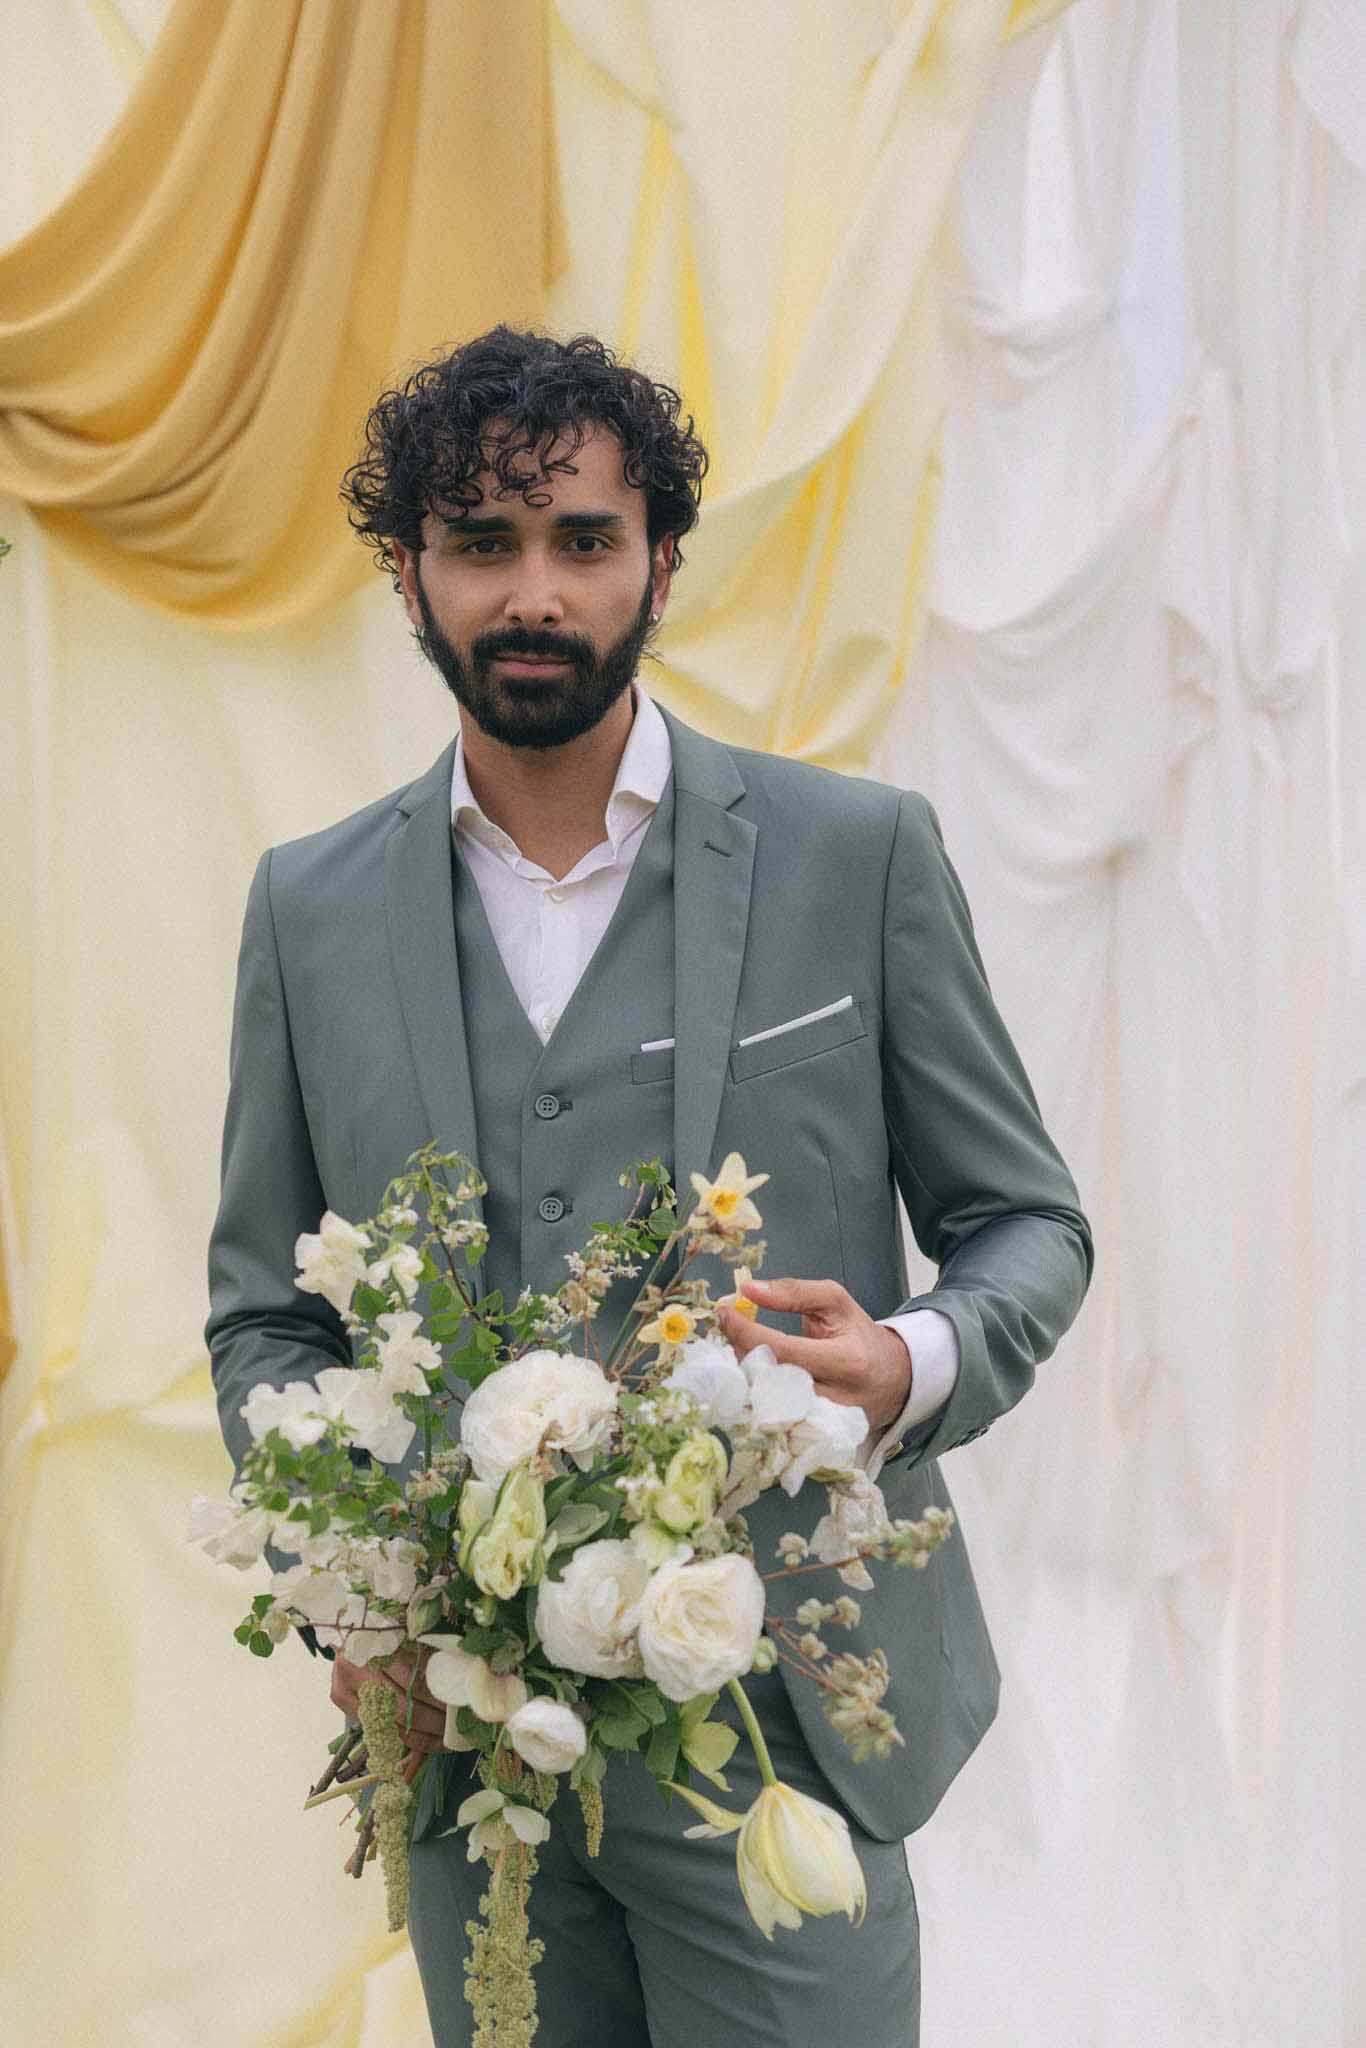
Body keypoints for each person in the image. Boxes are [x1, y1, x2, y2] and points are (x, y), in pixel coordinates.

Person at [205, 325, 1093, 2047]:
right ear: (407, 575)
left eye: (582, 542)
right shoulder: (307, 913)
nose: (532, 591)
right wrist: (349, 1564)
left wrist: (906, 1361)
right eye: (480, 542)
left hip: (788, 1732)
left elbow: (1026, 1227)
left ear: (659, 563)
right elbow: (264, 1312)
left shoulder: (859, 856)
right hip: (476, 1755)